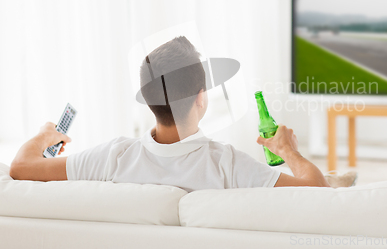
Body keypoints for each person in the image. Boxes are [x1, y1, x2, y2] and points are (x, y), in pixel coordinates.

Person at [9, 37, 356, 191]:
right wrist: (288, 151)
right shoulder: (228, 165)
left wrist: (45, 135)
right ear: (201, 98)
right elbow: (315, 190)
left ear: (147, 100)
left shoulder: (111, 157)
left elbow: (21, 168)